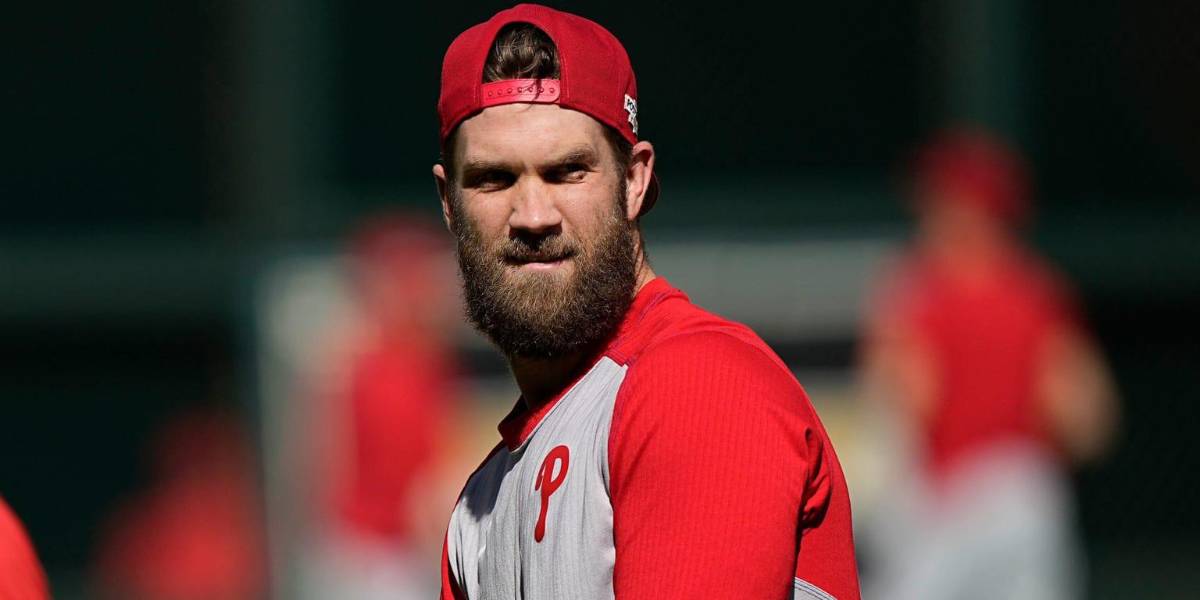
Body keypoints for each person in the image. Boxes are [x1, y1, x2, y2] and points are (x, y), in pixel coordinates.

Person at [430, 5, 859, 599]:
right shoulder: (478, 508)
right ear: (448, 204)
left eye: (567, 172)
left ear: (634, 181)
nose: (532, 215)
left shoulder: (695, 382)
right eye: (493, 179)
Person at [859, 128, 1119, 600]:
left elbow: (908, 399)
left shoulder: (923, 293)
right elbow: (1085, 418)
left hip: (956, 497)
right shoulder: (1038, 291)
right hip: (1031, 493)